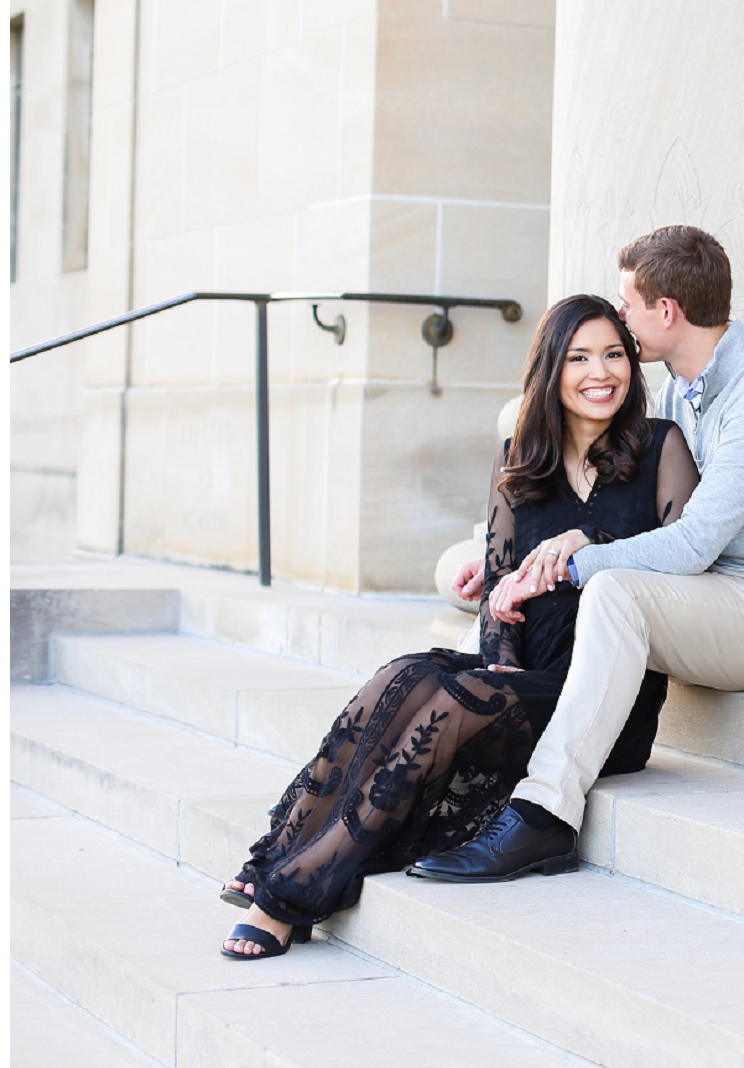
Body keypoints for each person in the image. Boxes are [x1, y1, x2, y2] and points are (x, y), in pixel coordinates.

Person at [218, 294, 699, 957]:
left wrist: (585, 540)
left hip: (601, 698)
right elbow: (499, 586)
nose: (601, 371)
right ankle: (281, 850)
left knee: (455, 699)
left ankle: (287, 893)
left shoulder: (660, 448)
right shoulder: (518, 461)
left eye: (614, 354)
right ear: (551, 369)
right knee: (405, 672)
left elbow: (684, 558)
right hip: (523, 678)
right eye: (580, 356)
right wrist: (499, 656)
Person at [405, 224, 744, 883]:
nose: (619, 320)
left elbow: (693, 542)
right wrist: (508, 556)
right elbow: (607, 497)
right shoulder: (676, 391)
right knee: (531, 608)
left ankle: (544, 815)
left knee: (610, 588)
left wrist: (568, 563)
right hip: (711, 599)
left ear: (665, 312)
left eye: (626, 305)